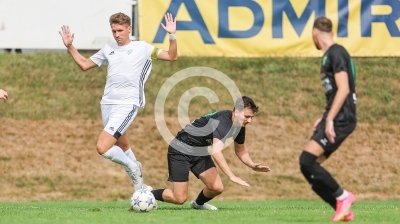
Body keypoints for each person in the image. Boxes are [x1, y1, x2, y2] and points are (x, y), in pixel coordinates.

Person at [58, 12, 177, 193]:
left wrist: (172, 35)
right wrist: (70, 46)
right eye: (114, 31)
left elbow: (171, 56)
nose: (117, 34)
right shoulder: (109, 49)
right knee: (123, 146)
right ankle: (141, 190)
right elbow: (84, 64)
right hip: (107, 104)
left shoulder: (143, 48)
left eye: (120, 30)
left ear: (129, 29)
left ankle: (134, 167)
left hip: (127, 105)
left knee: (103, 147)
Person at [151, 96, 271, 210]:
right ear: (237, 112)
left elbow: (240, 150)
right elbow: (216, 151)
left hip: (199, 152)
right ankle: (148, 193)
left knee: (216, 188)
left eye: (251, 117)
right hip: (180, 149)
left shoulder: (239, 126)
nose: (249, 121)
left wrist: (252, 165)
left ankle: (198, 204)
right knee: (179, 198)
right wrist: (231, 176)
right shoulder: (222, 122)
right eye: (247, 116)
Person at [299, 16, 357, 222]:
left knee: (307, 160)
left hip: (342, 118)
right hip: (335, 115)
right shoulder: (329, 55)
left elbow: (344, 89)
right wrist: (323, 117)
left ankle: (343, 196)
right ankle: (342, 209)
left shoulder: (336, 52)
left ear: (315, 34)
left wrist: (330, 119)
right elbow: (335, 94)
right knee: (308, 166)